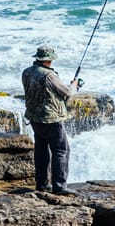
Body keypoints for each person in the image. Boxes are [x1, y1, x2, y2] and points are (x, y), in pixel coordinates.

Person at [22, 45, 79, 195]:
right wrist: (74, 86)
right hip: (50, 119)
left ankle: (42, 184)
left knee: (41, 151)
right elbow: (66, 92)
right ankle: (59, 187)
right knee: (61, 151)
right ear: (47, 60)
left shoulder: (26, 72)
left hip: (34, 118)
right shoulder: (49, 75)